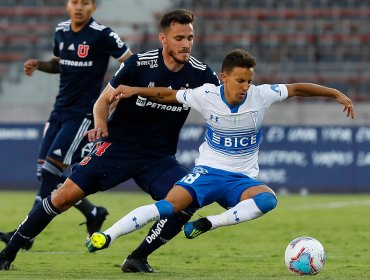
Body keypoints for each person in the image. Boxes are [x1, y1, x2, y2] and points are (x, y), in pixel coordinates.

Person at [0, 9, 220, 272]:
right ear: (163, 38)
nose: (185, 44)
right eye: (179, 38)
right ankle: (8, 253)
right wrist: (101, 125)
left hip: (158, 158)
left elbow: (222, 104)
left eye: (190, 37)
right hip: (117, 148)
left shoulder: (202, 74)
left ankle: (137, 258)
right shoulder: (138, 64)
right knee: (62, 198)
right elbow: (103, 101)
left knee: (188, 201)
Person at [84, 48, 355, 259]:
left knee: (268, 200)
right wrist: (134, 90)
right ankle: (106, 236)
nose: (245, 87)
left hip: (240, 179)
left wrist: (335, 94)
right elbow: (168, 95)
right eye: (240, 80)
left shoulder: (262, 95)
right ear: (224, 77)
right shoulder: (206, 94)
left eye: (249, 81)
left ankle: (208, 224)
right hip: (207, 174)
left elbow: (296, 89)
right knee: (167, 207)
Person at [0, 0, 132, 251]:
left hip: (82, 114)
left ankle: (23, 235)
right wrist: (40, 65)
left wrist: (112, 94)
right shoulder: (61, 30)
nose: (79, 7)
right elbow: (59, 63)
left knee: (51, 172)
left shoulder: (103, 35)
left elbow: (131, 62)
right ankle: (93, 212)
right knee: (46, 175)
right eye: (75, 2)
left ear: (94, 7)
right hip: (58, 111)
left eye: (85, 3)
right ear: (67, 5)